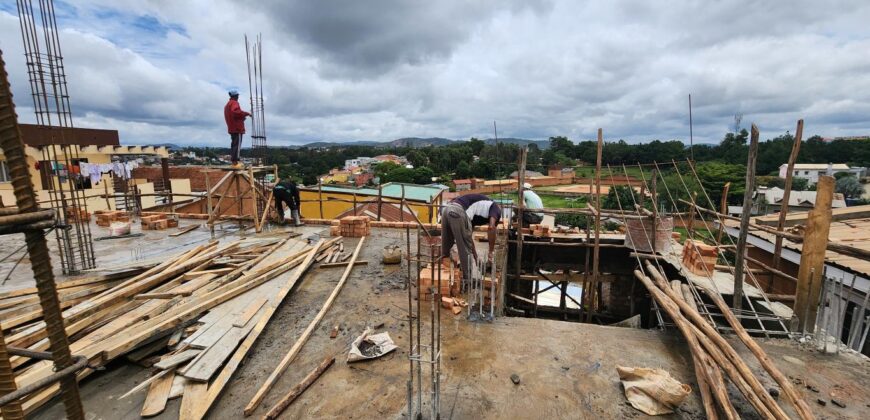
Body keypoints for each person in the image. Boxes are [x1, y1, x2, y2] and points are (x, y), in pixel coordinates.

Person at [440, 194, 501, 284]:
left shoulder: (474, 213)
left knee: (446, 246)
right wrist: (490, 252)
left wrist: (476, 258)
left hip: (446, 210)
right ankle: (467, 280)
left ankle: (443, 276)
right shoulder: (495, 208)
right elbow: (491, 227)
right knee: (464, 249)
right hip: (457, 212)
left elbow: (468, 238)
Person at [223, 89, 251, 168]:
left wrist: (242, 118)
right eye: (237, 95)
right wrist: (247, 113)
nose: (238, 97)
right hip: (237, 128)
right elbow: (235, 112)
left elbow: (233, 116)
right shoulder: (234, 103)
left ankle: (234, 161)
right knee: (237, 145)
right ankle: (235, 163)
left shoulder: (227, 105)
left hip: (232, 128)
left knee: (234, 144)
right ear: (235, 96)